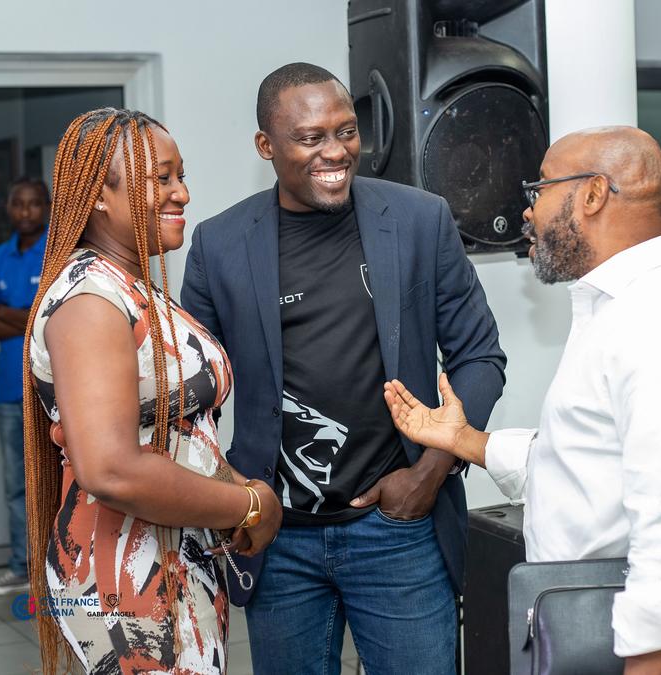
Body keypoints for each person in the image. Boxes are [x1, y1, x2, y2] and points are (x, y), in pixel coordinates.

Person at [383, 126, 661, 675]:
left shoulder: (658, 328)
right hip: (590, 633)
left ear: (593, 194)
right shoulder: (617, 315)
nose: (528, 211)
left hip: (632, 652)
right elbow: (583, 469)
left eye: (540, 188)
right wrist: (462, 439)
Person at [181, 63, 506, 674]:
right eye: (311, 138)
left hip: (399, 527)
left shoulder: (419, 220)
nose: (335, 152)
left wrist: (431, 471)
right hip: (277, 538)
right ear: (266, 146)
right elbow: (192, 395)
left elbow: (480, 356)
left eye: (347, 131)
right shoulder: (219, 244)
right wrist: (232, 493)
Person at [23, 107, 282, 674]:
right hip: (127, 578)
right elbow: (111, 470)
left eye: (181, 176)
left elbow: (179, 435)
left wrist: (241, 491)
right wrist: (249, 504)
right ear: (99, 194)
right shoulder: (90, 301)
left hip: (173, 558)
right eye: (160, 178)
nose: (182, 193)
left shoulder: (128, 286)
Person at [0, 176, 50, 596]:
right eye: (18, 204)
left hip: (51, 390)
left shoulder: (57, 254)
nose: (25, 212)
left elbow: (53, 319)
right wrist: (27, 317)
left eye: (33, 204)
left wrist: (6, 312)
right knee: (16, 484)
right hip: (8, 391)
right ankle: (22, 566)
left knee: (58, 477)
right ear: (8, 208)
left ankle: (59, 568)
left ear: (46, 207)